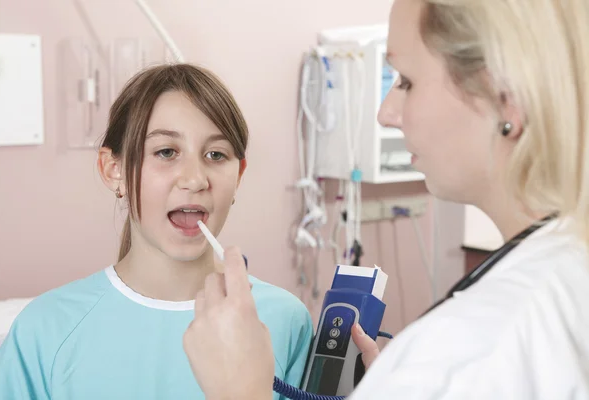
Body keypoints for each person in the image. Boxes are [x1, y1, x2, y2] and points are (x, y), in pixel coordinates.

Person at [182, 0, 589, 398]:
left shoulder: (477, 352)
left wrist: (241, 390)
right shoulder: (562, 269)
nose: (386, 113)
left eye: (407, 81)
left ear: (506, 101)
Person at [0, 64, 314, 399]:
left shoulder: (285, 320)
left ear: (239, 176)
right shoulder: (44, 330)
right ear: (113, 170)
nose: (195, 179)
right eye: (166, 152)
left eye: (216, 154)